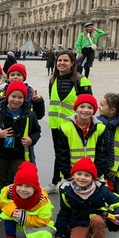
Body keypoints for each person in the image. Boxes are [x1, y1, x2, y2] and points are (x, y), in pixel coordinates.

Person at [0, 81, 41, 222]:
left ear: (24, 99)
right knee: (1, 181)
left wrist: (32, 139)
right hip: (1, 153)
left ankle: (20, 206)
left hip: (19, 154)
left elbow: (37, 131)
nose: (16, 100)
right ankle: (1, 207)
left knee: (20, 181)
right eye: (13, 96)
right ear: (7, 96)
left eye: (20, 97)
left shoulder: (29, 114)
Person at [54, 158, 119, 238]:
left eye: (87, 175)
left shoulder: (102, 190)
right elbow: (64, 213)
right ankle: (84, 233)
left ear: (93, 178)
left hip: (97, 218)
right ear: (73, 175)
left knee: (97, 220)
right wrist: (58, 234)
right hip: (79, 221)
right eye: (79, 174)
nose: (82, 178)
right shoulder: (66, 192)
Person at [45, 50, 92, 194]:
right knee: (59, 154)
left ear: (73, 63)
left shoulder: (81, 81)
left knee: (73, 154)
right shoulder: (53, 80)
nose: (61, 63)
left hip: (73, 126)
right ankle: (56, 182)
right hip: (56, 124)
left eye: (65, 60)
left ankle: (72, 182)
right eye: (59, 60)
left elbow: (88, 105)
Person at [0, 162, 55, 238]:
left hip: (35, 221)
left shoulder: (42, 200)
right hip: (16, 216)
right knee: (7, 215)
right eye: (19, 185)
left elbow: (45, 220)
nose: (22, 189)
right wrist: (13, 210)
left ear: (35, 188)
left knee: (42, 237)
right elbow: (0, 201)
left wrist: (24, 217)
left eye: (28, 186)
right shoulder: (8, 191)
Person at [56, 94, 108, 181]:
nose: (85, 110)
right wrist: (67, 174)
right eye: (82, 106)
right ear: (76, 108)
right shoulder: (65, 128)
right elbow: (62, 154)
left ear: (94, 110)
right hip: (71, 176)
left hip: (93, 176)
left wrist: (97, 174)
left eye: (90, 107)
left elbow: (103, 154)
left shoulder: (100, 128)